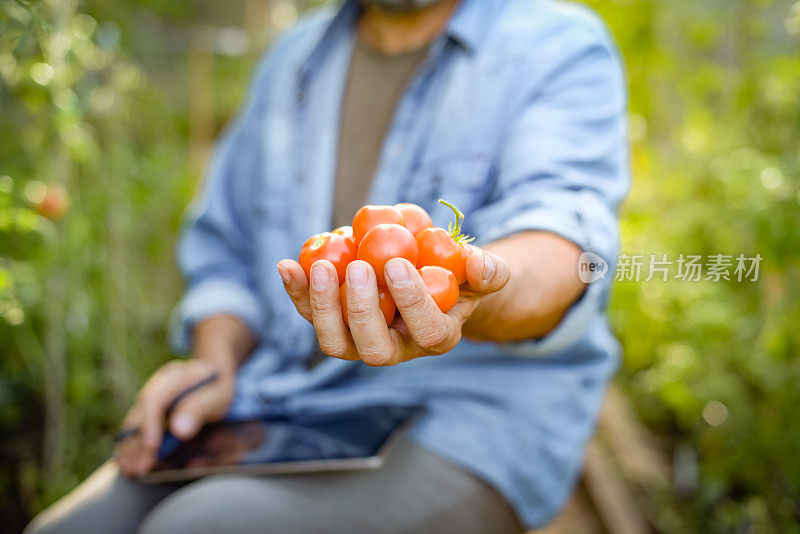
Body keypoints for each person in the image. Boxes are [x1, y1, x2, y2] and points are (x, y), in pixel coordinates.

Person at [26, 0, 629, 532]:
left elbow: (560, 247)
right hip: (283, 403)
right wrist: (215, 361)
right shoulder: (294, 58)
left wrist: (472, 294)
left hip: (463, 418)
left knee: (199, 525)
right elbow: (227, 249)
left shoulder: (555, 43)